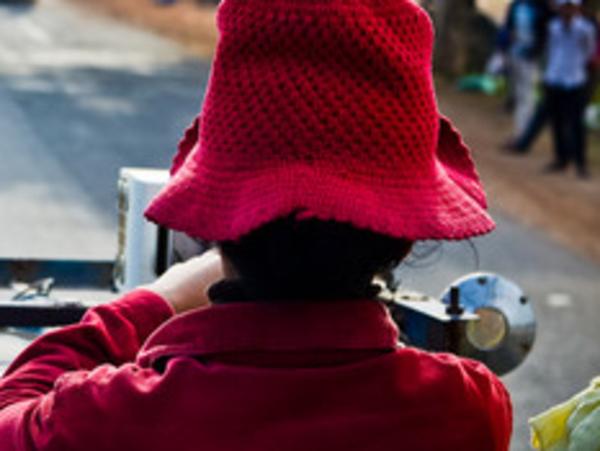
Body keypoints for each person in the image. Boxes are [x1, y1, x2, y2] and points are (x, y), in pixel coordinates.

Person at [0, 0, 513, 449]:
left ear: (217, 221)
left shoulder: (103, 417)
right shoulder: (465, 410)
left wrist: (156, 301)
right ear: (401, 242)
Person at [543, 0, 596, 178]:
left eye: (570, 6)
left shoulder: (585, 29)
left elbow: (589, 52)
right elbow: (550, 50)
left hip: (575, 79)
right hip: (555, 77)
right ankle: (561, 158)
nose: (567, 10)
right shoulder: (553, 27)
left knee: (576, 124)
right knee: (557, 122)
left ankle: (580, 163)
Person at [502, 0, 550, 141]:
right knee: (520, 95)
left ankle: (523, 132)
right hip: (515, 55)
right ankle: (521, 131)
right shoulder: (516, 6)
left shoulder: (540, 8)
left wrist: (535, 52)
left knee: (527, 96)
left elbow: (544, 34)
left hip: (531, 58)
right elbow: (509, 29)